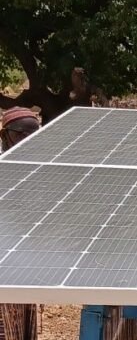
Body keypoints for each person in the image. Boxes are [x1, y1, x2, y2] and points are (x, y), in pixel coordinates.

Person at [0, 108, 41, 340]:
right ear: (4, 135)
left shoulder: (37, 170)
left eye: (34, 135)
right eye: (21, 134)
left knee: (22, 324)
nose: (27, 140)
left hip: (23, 264)